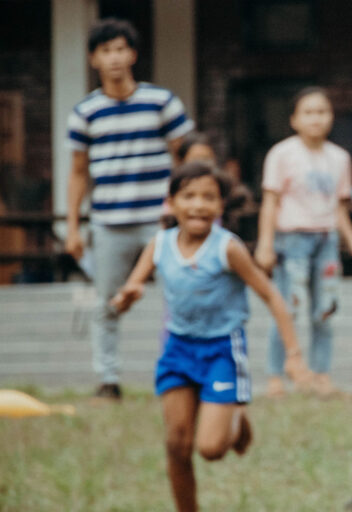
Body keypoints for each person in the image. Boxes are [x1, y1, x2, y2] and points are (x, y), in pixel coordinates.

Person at [110, 162, 311, 512]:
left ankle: (235, 419)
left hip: (221, 350)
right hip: (178, 348)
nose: (198, 205)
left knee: (211, 449)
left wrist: (294, 353)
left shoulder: (227, 248)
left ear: (220, 207)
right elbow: (133, 285)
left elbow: (271, 296)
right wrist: (125, 297)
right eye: (188, 196)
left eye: (208, 198)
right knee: (176, 443)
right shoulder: (159, 244)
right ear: (171, 203)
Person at [65, 18, 194, 401]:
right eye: (106, 51)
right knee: (107, 303)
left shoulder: (162, 102)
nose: (115, 58)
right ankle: (108, 380)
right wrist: (73, 228)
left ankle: (180, 373)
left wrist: (179, 208)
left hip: (159, 221)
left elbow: (184, 159)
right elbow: (76, 173)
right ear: (94, 59)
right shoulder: (85, 112)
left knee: (179, 295)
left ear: (133, 54)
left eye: (121, 49)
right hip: (109, 222)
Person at [254, 86, 352, 398]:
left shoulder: (339, 158)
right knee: (286, 309)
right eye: (308, 112)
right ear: (294, 119)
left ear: (331, 118)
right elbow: (270, 202)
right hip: (290, 240)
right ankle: (276, 376)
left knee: (325, 310)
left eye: (322, 112)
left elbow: (338, 208)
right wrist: (265, 244)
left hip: (327, 241)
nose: (315, 118)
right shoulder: (281, 154)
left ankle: (321, 374)